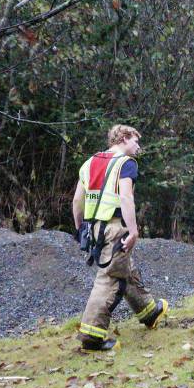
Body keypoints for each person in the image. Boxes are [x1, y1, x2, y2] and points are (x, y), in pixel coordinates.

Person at [72, 124, 167, 350]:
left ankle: (149, 312)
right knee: (112, 277)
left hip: (94, 229)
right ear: (124, 138)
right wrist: (133, 230)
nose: (138, 146)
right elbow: (126, 198)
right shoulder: (126, 164)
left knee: (125, 268)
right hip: (115, 226)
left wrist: (80, 230)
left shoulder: (90, 162)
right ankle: (91, 336)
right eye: (136, 140)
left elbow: (77, 200)